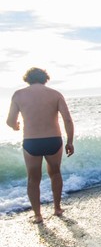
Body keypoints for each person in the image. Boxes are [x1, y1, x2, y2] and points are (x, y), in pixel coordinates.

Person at [6, 68, 75, 223]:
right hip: (53, 140)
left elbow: (10, 120)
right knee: (55, 173)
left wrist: (15, 126)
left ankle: (38, 215)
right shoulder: (55, 94)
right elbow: (68, 120)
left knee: (33, 179)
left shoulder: (18, 95)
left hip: (32, 142)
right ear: (45, 78)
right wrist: (70, 141)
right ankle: (57, 208)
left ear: (27, 78)